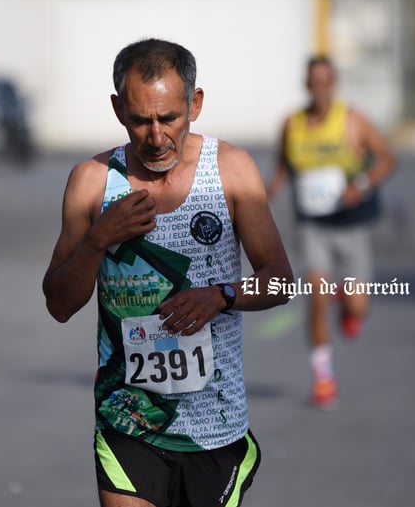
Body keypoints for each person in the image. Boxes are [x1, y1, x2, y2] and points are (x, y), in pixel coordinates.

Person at [43, 38, 292, 507]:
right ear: (118, 110)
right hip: (128, 423)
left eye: (169, 119)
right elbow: (58, 303)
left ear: (195, 104)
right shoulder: (93, 181)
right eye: (140, 121)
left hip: (213, 429)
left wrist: (221, 295)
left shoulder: (231, 170)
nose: (156, 137)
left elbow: (281, 279)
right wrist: (99, 237)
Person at [266, 55, 397, 409]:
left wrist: (363, 184)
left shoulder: (352, 121)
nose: (320, 87)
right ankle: (323, 378)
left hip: (351, 223)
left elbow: (388, 159)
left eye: (326, 80)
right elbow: (281, 167)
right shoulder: (291, 125)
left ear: (334, 83)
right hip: (312, 225)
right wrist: (266, 193)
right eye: (314, 81)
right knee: (316, 297)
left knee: (358, 306)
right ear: (306, 84)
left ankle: (349, 305)